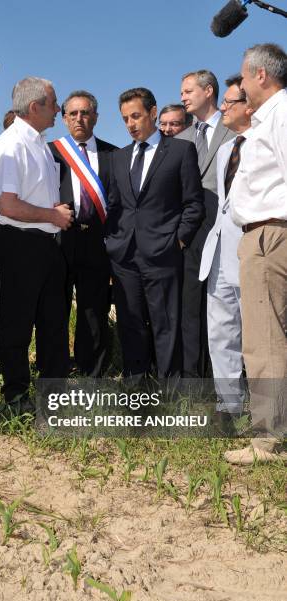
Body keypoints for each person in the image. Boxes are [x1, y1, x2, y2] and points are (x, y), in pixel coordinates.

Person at [0, 77, 73, 410]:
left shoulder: (38, 141)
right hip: (21, 244)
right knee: (17, 324)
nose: (58, 109)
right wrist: (51, 216)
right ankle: (17, 398)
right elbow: (6, 205)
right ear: (35, 106)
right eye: (54, 103)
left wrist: (51, 219)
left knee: (53, 322)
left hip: (46, 244)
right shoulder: (11, 145)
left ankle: (53, 395)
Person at [106, 87, 203, 380]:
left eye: (135, 116)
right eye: (125, 119)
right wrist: (112, 242)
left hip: (163, 254)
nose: (130, 124)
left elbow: (193, 203)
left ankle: (169, 392)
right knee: (130, 324)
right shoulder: (118, 158)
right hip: (124, 258)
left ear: (152, 113)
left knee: (166, 324)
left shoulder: (180, 151)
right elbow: (114, 205)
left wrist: (178, 239)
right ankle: (136, 390)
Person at [225, 43, 287, 464]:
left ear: (261, 75)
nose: (242, 85)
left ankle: (270, 439)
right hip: (264, 234)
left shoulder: (280, 115)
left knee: (264, 339)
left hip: (271, 235)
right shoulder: (270, 118)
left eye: (244, 78)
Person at [49, 90, 117, 376]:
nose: (80, 118)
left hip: (97, 240)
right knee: (55, 309)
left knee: (94, 309)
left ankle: (93, 371)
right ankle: (56, 369)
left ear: (96, 117)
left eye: (85, 112)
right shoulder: (49, 152)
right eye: (73, 113)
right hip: (61, 239)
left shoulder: (113, 154)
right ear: (64, 119)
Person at [199, 75, 253, 427]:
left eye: (229, 103)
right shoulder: (223, 151)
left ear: (249, 106)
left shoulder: (268, 143)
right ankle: (229, 404)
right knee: (221, 329)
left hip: (253, 249)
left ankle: (267, 408)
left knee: (259, 333)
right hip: (219, 249)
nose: (222, 108)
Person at [177, 70, 234, 378]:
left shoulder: (234, 128)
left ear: (208, 91)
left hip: (224, 230)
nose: (183, 96)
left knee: (222, 308)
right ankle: (191, 377)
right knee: (190, 306)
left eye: (188, 91)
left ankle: (222, 378)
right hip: (190, 235)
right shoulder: (180, 139)